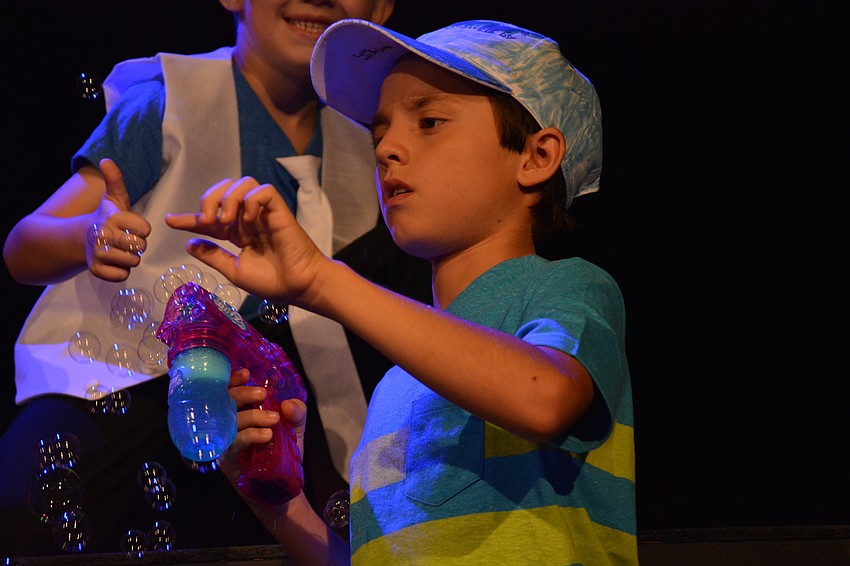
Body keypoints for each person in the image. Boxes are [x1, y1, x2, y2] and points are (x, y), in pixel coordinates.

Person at [166, 18, 637, 565]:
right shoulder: (394, 389)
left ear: (536, 157)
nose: (387, 147)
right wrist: (278, 504)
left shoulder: (568, 287)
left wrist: (322, 280)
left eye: (430, 121)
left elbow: (543, 398)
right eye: (379, 132)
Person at [0, 0, 434, 557]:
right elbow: (22, 245)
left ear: (382, 7)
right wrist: (88, 234)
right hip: (129, 371)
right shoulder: (169, 105)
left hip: (272, 396)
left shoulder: (374, 137)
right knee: (20, 520)